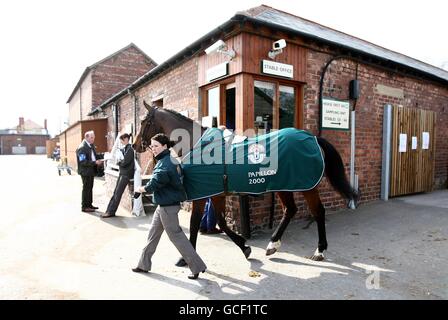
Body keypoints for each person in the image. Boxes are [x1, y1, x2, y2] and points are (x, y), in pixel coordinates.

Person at [132, 133, 207, 280]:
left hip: (168, 207)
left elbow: (155, 183)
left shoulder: (165, 163)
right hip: (163, 205)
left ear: (164, 146)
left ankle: (197, 267)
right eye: (152, 146)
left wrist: (140, 189)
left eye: (156, 146)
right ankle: (143, 264)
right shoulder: (168, 159)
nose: (153, 149)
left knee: (177, 237)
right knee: (152, 236)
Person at [101, 133, 135, 218]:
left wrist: (119, 162)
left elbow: (124, 162)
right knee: (115, 192)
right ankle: (109, 211)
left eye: (122, 140)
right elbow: (122, 161)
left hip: (126, 174)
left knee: (118, 193)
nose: (120, 142)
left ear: (126, 139)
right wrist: (119, 161)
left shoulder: (130, 149)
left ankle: (111, 212)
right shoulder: (125, 149)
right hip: (122, 173)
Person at [76, 131, 103, 213]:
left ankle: (89, 205)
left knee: (90, 188)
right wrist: (95, 163)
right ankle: (84, 206)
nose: (93, 139)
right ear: (86, 137)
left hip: (90, 171)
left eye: (94, 137)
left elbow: (94, 156)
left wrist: (104, 155)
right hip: (85, 171)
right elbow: (83, 162)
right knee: (86, 188)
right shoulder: (82, 147)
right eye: (91, 137)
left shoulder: (90, 145)